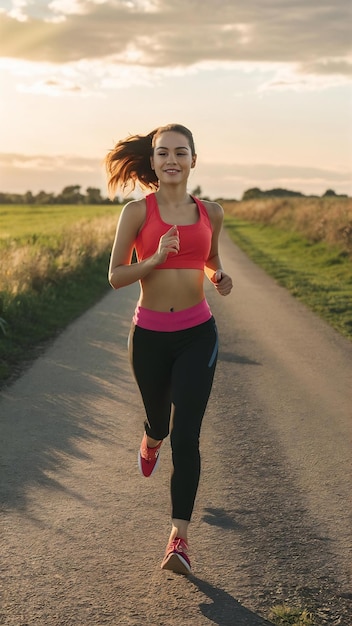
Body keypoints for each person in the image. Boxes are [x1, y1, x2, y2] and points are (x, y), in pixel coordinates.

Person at [105, 123, 233, 575]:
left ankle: (178, 539)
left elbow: (210, 259)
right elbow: (116, 276)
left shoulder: (211, 212)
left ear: (194, 160)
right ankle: (149, 437)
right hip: (150, 337)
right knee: (160, 423)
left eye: (181, 152)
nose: (172, 160)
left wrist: (218, 277)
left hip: (198, 333)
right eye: (163, 153)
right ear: (154, 162)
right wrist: (155, 258)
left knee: (187, 436)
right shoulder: (137, 212)